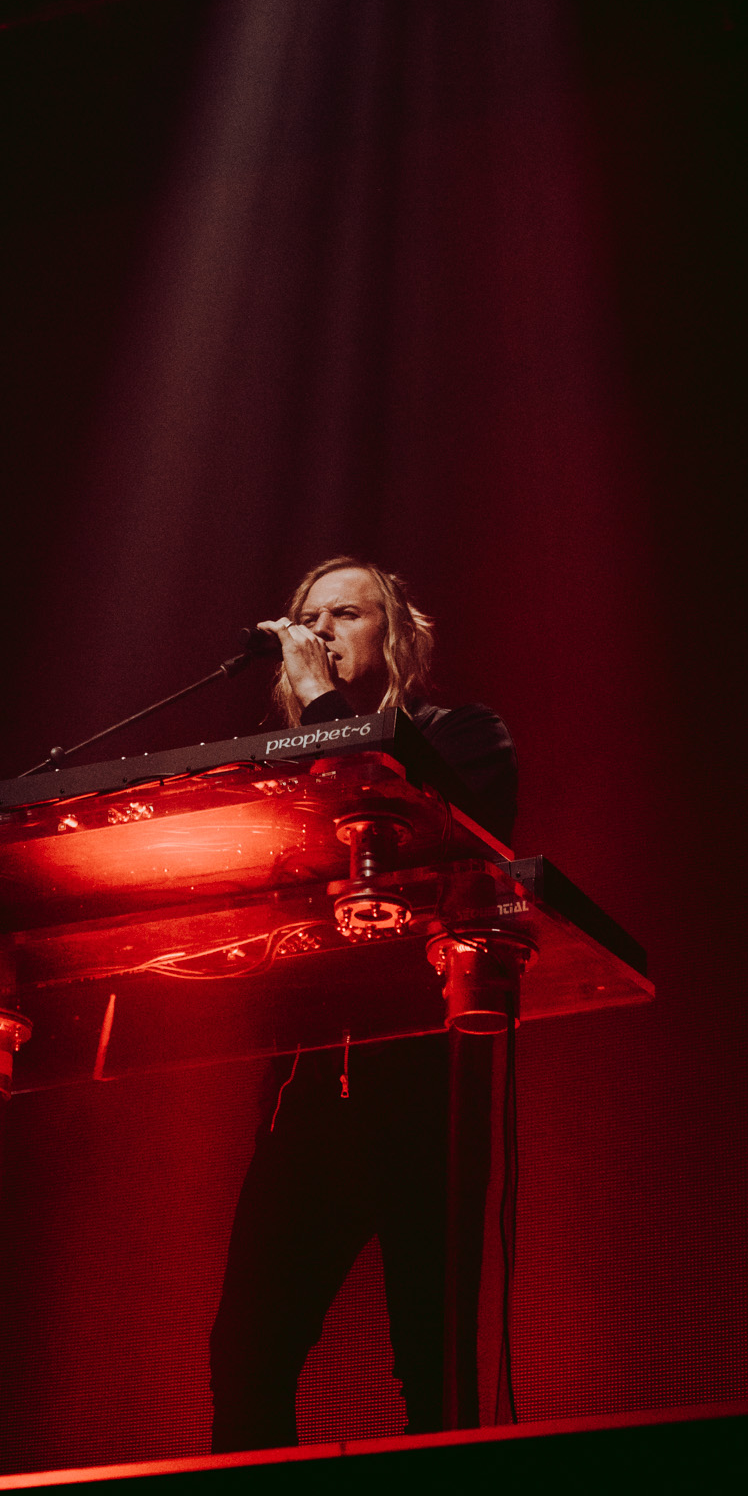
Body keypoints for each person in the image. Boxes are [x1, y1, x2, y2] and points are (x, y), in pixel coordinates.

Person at [208, 556, 518, 1451]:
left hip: (424, 1082)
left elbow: (448, 825)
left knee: (432, 1362)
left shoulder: (462, 733)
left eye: (345, 614)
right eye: (306, 621)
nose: (319, 634)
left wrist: (320, 708)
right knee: (246, 1356)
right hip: (306, 1090)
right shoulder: (278, 773)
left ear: (399, 635)